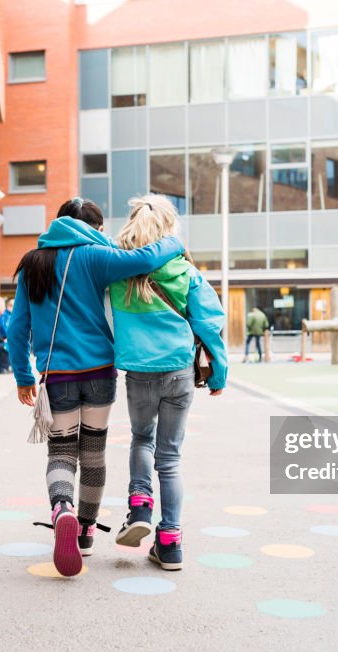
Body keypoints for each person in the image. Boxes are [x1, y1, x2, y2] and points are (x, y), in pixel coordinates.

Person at [6, 197, 185, 577]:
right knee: (93, 453)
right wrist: (174, 241)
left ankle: (61, 510)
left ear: (58, 223)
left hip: (58, 376)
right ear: (95, 228)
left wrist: (23, 376)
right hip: (100, 372)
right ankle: (85, 532)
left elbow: (17, 328)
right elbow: (146, 258)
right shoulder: (97, 255)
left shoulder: (33, 263)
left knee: (61, 451)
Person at [109, 195, 228, 571]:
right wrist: (219, 374)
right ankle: (171, 543)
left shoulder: (117, 272)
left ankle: (140, 505)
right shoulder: (186, 273)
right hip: (178, 373)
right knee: (171, 457)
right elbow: (210, 324)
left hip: (139, 373)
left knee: (141, 438)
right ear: (168, 229)